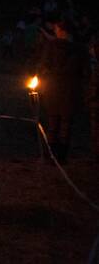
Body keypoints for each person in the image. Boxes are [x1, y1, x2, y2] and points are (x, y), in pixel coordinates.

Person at [39, 20, 89, 162]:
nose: (55, 32)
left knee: (53, 123)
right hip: (70, 90)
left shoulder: (51, 47)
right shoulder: (80, 49)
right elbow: (86, 72)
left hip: (55, 89)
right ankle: (60, 157)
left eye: (56, 29)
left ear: (62, 31)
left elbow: (44, 66)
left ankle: (51, 156)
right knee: (65, 125)